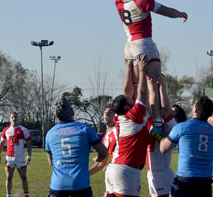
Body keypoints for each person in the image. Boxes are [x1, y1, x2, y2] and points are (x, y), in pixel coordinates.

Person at [98, 0, 187, 124]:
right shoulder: (142, 1)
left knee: (131, 87)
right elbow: (166, 12)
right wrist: (180, 13)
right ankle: (155, 122)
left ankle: (129, 120)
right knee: (153, 83)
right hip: (144, 44)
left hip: (128, 45)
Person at [105, 54, 153, 197]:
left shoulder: (121, 117)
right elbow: (143, 94)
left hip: (114, 168)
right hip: (126, 170)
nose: (132, 99)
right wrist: (142, 71)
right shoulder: (133, 116)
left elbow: (127, 92)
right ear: (126, 108)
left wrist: (130, 67)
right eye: (130, 101)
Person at [160, 96, 213, 197]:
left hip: (185, 180)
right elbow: (211, 158)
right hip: (205, 183)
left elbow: (163, 148)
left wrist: (161, 135)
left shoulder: (182, 127)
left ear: (195, 109)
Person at [46, 98, 107, 197]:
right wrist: (98, 160)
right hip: (80, 184)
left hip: (58, 185)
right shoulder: (85, 129)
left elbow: (50, 162)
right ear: (71, 111)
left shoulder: (50, 133)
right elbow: (103, 152)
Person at [0, 112, 32, 197]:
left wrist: (29, 155)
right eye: (12, 117)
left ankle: (26, 195)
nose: (14, 119)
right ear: (10, 119)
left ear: (18, 118)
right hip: (9, 158)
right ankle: (8, 195)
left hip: (20, 158)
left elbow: (28, 142)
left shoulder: (23, 130)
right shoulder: (6, 130)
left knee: (23, 177)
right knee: (9, 177)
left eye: (15, 117)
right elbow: (1, 143)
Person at [89, 106, 117, 197]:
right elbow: (102, 162)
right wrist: (86, 174)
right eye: (105, 112)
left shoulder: (118, 131)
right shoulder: (106, 136)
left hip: (120, 175)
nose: (106, 114)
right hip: (110, 176)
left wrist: (112, 163)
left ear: (115, 115)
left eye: (110, 112)